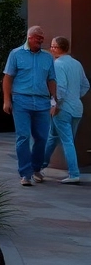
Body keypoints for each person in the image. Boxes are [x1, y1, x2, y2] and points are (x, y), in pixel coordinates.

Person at [3, 25, 58, 186]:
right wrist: (7, 100)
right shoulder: (16, 54)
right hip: (21, 100)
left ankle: (36, 168)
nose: (41, 41)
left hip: (42, 102)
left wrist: (55, 99)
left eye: (42, 38)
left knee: (42, 137)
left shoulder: (47, 57)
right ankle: (25, 173)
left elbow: (51, 79)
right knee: (23, 136)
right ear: (29, 37)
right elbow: (8, 78)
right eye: (38, 38)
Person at [46, 35, 87, 184]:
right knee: (53, 137)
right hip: (76, 108)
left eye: (53, 46)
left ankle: (74, 173)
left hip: (62, 108)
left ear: (59, 48)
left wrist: (55, 104)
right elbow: (85, 85)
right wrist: (75, 96)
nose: (51, 49)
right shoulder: (76, 64)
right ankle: (39, 165)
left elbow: (60, 87)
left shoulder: (57, 64)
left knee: (66, 141)